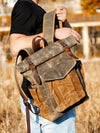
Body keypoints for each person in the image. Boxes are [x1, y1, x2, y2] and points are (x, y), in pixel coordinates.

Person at [10, 0, 81, 133]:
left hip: (45, 90)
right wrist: (54, 33)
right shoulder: (25, 6)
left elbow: (73, 41)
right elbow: (15, 46)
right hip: (51, 94)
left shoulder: (38, 9)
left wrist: (64, 23)